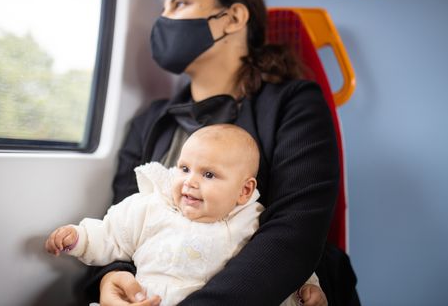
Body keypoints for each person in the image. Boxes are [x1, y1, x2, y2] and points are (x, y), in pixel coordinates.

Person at [79, 0, 359, 306]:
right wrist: (111, 276)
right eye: (163, 10)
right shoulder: (151, 121)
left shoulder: (295, 103)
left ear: (234, 18)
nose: (163, 21)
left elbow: (295, 231)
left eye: (179, 4)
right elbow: (121, 215)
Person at [46, 124, 325, 306]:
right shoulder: (152, 207)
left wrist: (306, 289)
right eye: (184, 168)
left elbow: (279, 263)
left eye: (208, 174)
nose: (190, 181)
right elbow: (111, 234)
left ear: (244, 190)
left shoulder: (249, 223)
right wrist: (79, 237)